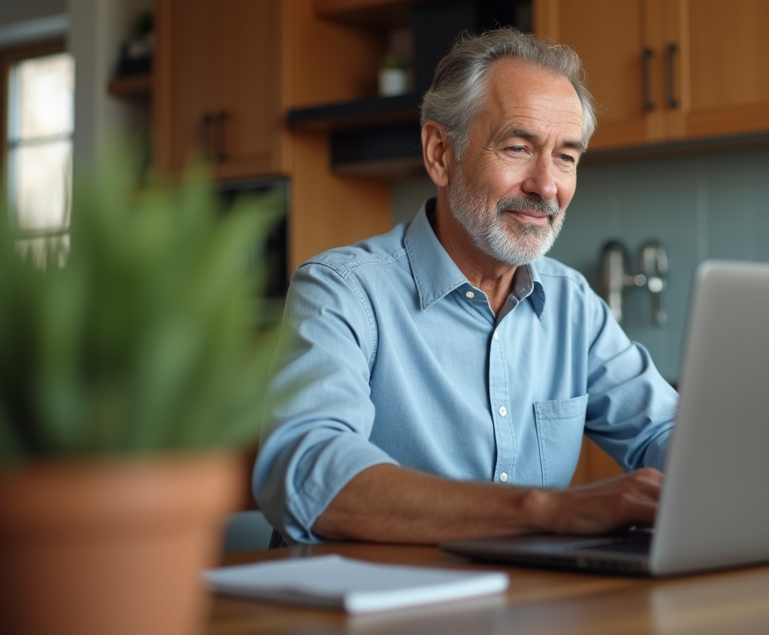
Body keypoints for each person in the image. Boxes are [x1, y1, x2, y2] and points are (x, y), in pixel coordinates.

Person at [254, 28, 679, 545]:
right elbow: (308, 474)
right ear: (440, 153)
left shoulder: (573, 304)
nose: (546, 185)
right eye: (518, 147)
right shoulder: (341, 291)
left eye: (566, 157)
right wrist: (542, 509)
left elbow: (665, 431)